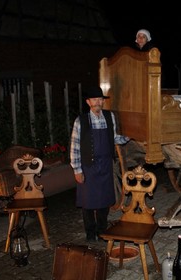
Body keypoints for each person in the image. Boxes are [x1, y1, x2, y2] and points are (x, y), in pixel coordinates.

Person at [69, 86, 130, 243]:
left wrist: (128, 138)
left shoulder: (109, 117)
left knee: (104, 200)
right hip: (88, 166)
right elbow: (75, 147)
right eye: (94, 99)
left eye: (100, 99)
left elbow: (114, 138)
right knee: (87, 202)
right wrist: (77, 170)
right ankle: (90, 233)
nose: (98, 102)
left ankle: (102, 230)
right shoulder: (80, 120)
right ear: (88, 102)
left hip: (106, 165)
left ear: (103, 101)